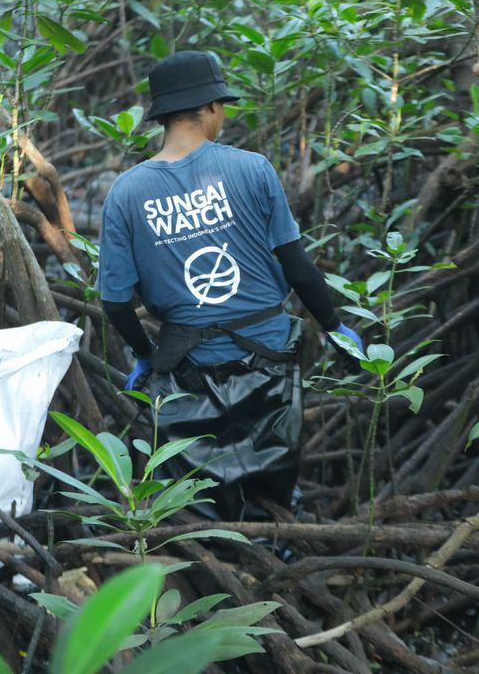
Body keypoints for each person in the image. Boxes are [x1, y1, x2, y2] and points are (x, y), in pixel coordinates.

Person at [98, 50, 362, 521]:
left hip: (186, 369)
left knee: (203, 495)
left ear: (162, 117)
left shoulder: (127, 191)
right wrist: (335, 325)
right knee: (274, 479)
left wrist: (144, 354)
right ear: (212, 108)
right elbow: (297, 267)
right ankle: (280, 529)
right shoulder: (253, 169)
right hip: (269, 362)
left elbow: (116, 302)